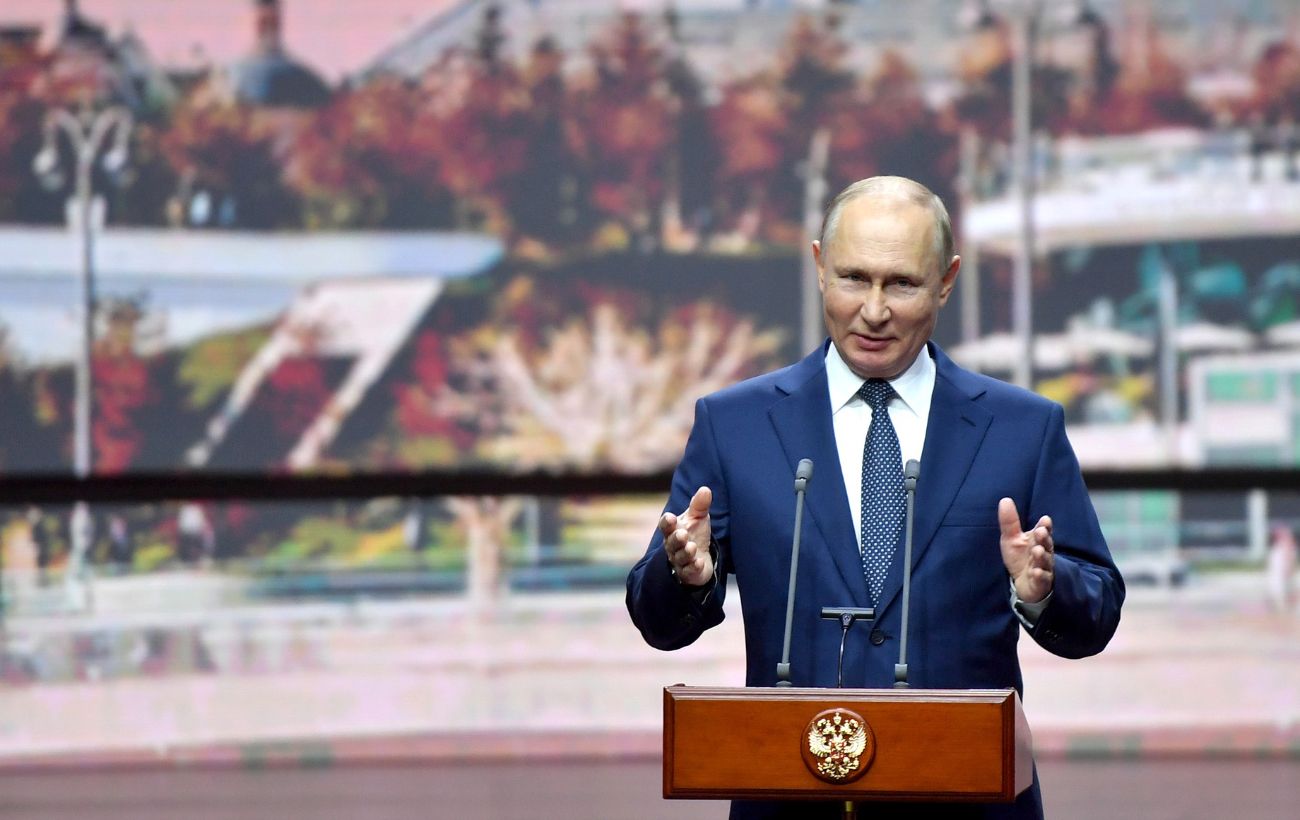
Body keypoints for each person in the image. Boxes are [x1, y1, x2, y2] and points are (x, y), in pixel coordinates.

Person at [626, 176, 1125, 820]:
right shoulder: (736, 425)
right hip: (791, 802)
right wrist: (687, 577)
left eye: (902, 284)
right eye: (854, 279)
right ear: (819, 267)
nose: (874, 310)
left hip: (966, 800)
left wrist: (1044, 591)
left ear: (946, 281)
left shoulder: (1022, 430)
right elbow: (656, 619)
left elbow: (1096, 614)